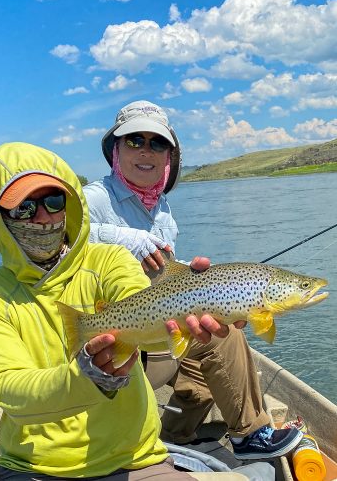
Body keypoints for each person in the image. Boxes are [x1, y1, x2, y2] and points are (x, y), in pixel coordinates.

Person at [0, 141, 231, 480]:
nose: (43, 216)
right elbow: (9, 388)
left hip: (134, 457)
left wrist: (188, 304)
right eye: (24, 209)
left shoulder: (110, 260)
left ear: (69, 204)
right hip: (33, 467)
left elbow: (144, 322)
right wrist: (85, 377)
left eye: (53, 200)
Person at [84, 100, 303, 460]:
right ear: (116, 150)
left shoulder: (162, 211)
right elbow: (58, 237)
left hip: (155, 330)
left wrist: (190, 272)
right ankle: (250, 435)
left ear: (169, 155)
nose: (146, 151)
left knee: (208, 359)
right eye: (134, 141)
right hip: (111, 344)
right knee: (225, 342)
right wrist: (121, 237)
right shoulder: (93, 198)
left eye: (157, 143)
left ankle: (174, 439)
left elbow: (162, 273)